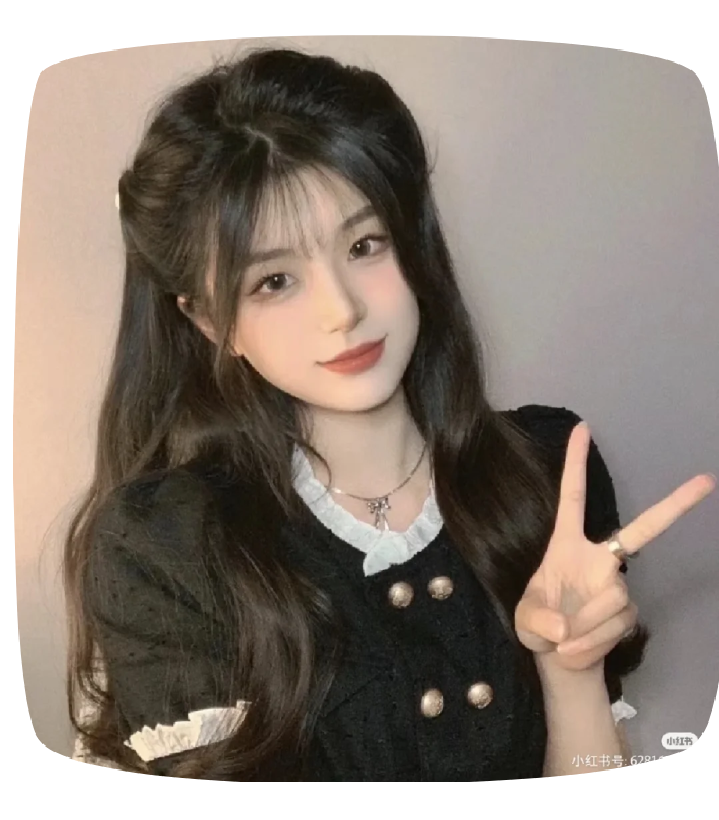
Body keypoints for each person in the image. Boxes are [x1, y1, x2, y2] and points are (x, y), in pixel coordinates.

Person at [63, 45, 656, 781]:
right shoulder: (169, 545)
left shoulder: (544, 472)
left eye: (364, 245)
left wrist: (571, 670)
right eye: (274, 281)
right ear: (211, 322)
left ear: (414, 244)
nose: (340, 310)